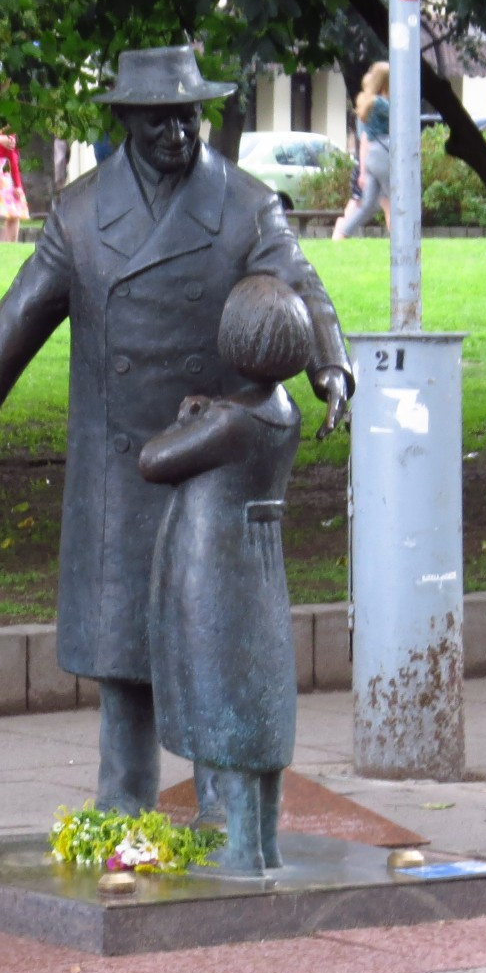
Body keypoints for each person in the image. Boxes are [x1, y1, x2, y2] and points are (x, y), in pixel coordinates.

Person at [0, 45, 353, 815]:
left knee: (212, 655)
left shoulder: (243, 204)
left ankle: (223, 822)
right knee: (124, 665)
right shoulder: (81, 212)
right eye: (162, 117)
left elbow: (300, 285)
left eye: (190, 114)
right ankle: (121, 822)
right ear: (128, 119)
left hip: (206, 472)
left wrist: (329, 366)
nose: (179, 131)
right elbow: (23, 313)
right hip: (119, 472)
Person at [138, 273, 311, 875]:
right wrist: (204, 414)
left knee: (226, 701)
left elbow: (154, 461)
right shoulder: (283, 411)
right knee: (259, 704)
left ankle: (241, 849)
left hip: (212, 570)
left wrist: (190, 422)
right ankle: (263, 846)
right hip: (257, 569)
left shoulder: (230, 424)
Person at [332, 61, 391, 240]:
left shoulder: (365, 103)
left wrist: (363, 170)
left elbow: (364, 139)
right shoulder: (380, 104)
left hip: (370, 157)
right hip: (383, 154)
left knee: (367, 205)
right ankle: (400, 238)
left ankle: (341, 235)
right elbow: (401, 114)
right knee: (395, 201)